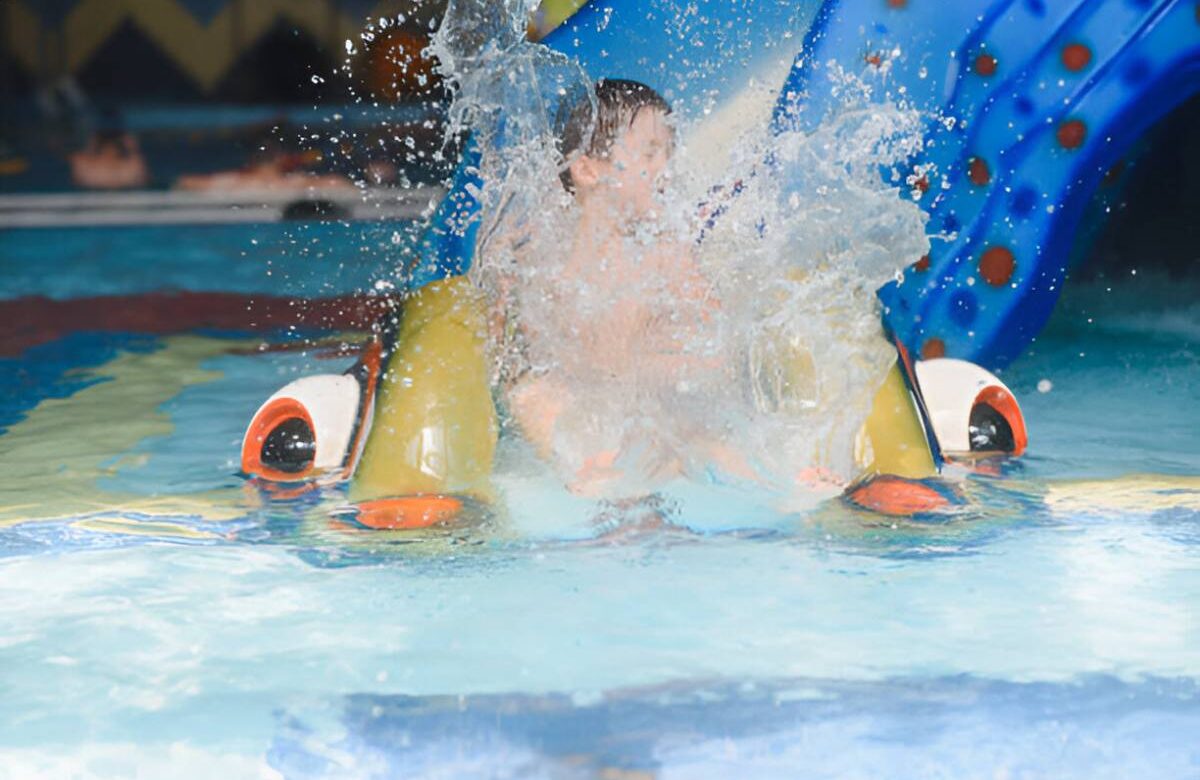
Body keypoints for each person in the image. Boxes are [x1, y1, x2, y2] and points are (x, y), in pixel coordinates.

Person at [488, 79, 731, 498]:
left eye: (669, 154)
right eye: (651, 154)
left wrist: (652, 367)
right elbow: (508, 360)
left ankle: (769, 478)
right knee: (534, 395)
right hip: (571, 411)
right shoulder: (540, 256)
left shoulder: (668, 256)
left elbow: (717, 354)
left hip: (645, 408)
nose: (666, 168)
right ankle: (585, 471)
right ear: (586, 169)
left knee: (703, 438)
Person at [69, 129, 150, 190]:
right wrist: (133, 150)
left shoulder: (131, 167)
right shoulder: (131, 168)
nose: (110, 154)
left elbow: (144, 180)